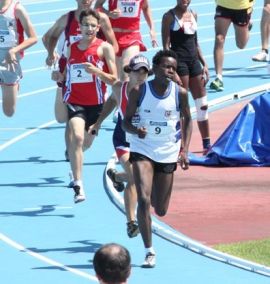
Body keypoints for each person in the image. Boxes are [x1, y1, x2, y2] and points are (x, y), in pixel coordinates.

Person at [122, 50, 192, 268]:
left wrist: (184, 150)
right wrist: (136, 130)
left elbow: (188, 119)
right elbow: (125, 123)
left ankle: (133, 187)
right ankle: (149, 250)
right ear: (154, 68)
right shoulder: (139, 91)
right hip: (142, 147)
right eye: (166, 67)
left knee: (160, 208)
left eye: (174, 67)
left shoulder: (180, 93)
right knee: (143, 198)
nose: (171, 71)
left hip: (168, 150)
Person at [52, 9, 117, 203]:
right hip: (75, 101)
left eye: (92, 25)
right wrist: (58, 76)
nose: (89, 28)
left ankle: (73, 164)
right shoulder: (71, 47)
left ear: (98, 28)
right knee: (77, 137)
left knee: (84, 144)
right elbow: (63, 72)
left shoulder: (104, 48)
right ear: (79, 27)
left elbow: (114, 79)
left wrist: (98, 71)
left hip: (96, 104)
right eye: (85, 25)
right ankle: (79, 184)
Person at [42, 0, 118, 161]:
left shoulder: (101, 18)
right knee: (65, 117)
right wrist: (51, 55)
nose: (86, 1)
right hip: (68, 74)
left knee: (87, 140)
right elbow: (48, 37)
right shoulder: (67, 19)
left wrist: (101, 60)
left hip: (93, 78)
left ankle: (76, 151)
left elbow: (114, 46)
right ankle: (71, 153)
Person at [90, 54, 152, 238]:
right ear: (129, 72)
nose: (141, 75)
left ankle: (116, 176)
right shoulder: (121, 88)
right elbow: (111, 99)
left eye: (145, 72)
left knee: (143, 180)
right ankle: (131, 223)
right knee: (135, 177)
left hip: (144, 141)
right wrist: (98, 122)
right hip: (123, 139)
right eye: (137, 71)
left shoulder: (151, 91)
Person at [162, 0, 211, 154]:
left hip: (194, 62)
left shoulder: (194, 13)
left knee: (203, 104)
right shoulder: (168, 16)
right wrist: (172, 70)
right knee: (182, 108)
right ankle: (181, 146)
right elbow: (165, 46)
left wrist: (205, 64)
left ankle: (207, 144)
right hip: (179, 62)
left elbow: (196, 42)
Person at [94, 0, 158, 81]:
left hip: (132, 37)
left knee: (127, 74)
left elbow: (146, 7)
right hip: (113, 39)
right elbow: (97, 6)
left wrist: (152, 28)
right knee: (116, 80)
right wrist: (109, 13)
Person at [0, 0, 37, 117]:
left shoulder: (17, 9)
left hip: (9, 63)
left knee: (8, 112)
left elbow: (33, 38)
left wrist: (14, 50)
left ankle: (13, 85)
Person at [209, 0, 254, 91]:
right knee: (219, 38)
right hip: (223, 4)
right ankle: (219, 77)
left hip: (242, 7)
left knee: (241, 45)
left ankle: (247, 27)